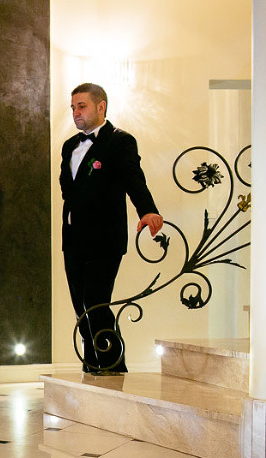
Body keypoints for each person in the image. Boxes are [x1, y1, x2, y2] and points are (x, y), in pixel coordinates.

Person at [59, 83, 164, 373]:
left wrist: (147, 210)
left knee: (96, 303)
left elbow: (133, 178)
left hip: (105, 237)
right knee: (81, 308)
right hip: (74, 238)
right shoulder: (69, 146)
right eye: (73, 108)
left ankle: (113, 368)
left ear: (101, 106)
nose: (76, 113)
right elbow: (69, 189)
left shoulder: (120, 141)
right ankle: (92, 366)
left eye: (82, 106)